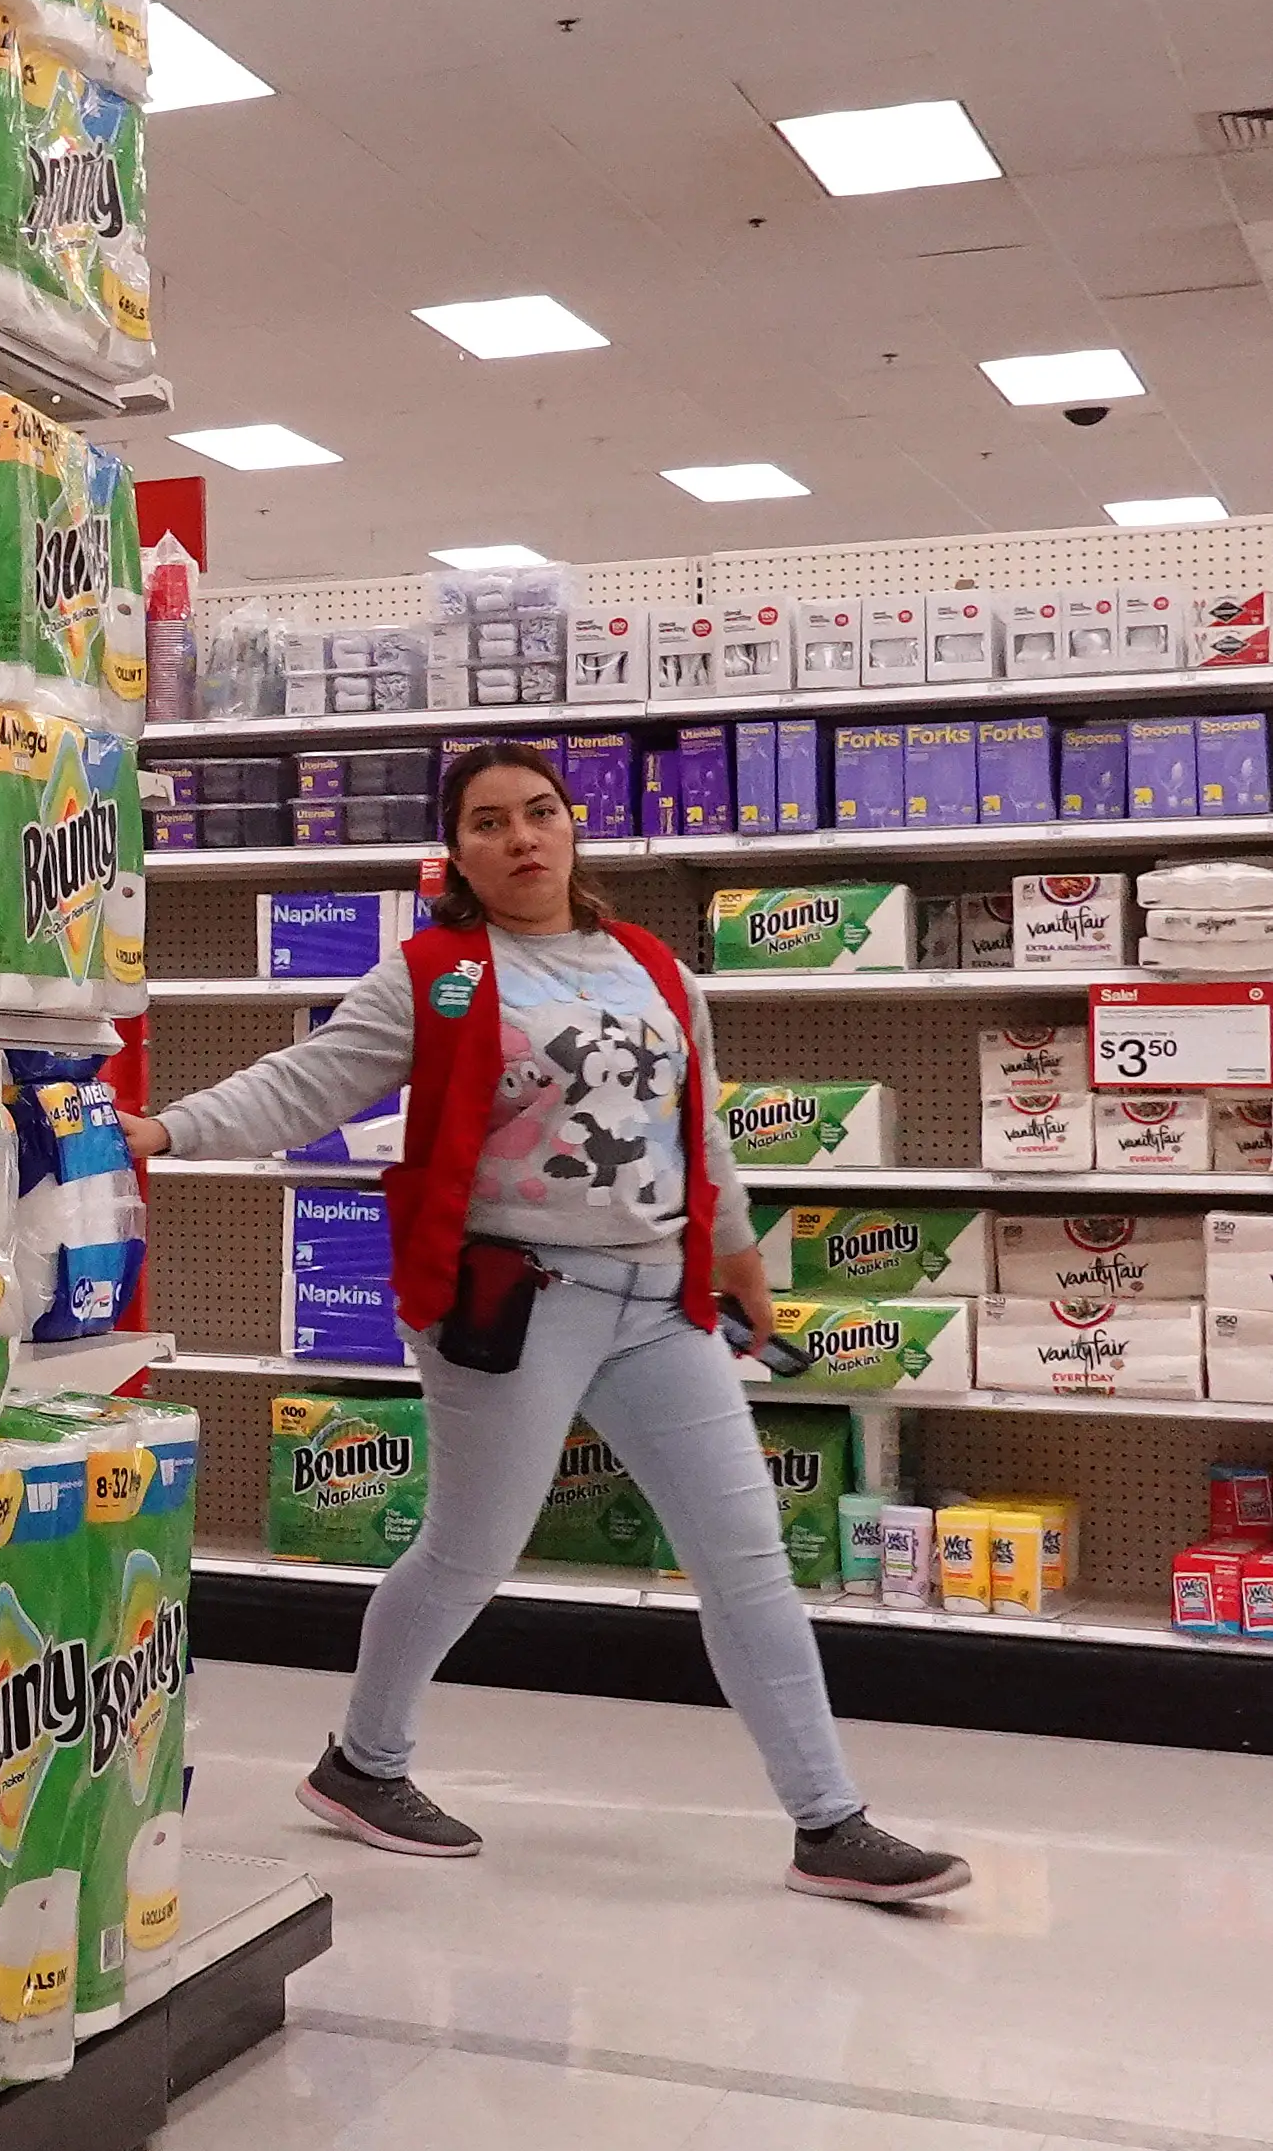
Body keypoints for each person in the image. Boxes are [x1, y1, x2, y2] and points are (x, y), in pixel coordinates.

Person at [125, 741, 970, 1906]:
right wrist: (165, 1132)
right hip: (513, 1303)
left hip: (660, 1304)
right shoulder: (436, 974)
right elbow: (303, 1084)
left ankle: (830, 1823)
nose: (521, 837)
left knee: (748, 1563)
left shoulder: (654, 968)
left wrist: (738, 1264)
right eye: (488, 822)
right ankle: (365, 1763)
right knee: (469, 1554)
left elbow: (701, 1131)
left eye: (540, 813)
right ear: (458, 852)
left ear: (574, 827)